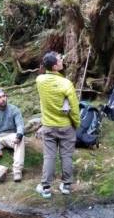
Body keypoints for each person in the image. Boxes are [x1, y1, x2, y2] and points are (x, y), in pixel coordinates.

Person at [35, 51, 80, 199]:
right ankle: (66, 186)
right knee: (66, 156)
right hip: (66, 126)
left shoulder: (39, 80)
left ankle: (46, 188)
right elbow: (73, 108)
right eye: (60, 60)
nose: (62, 60)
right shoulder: (66, 84)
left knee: (49, 156)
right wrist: (76, 124)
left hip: (48, 126)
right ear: (55, 66)